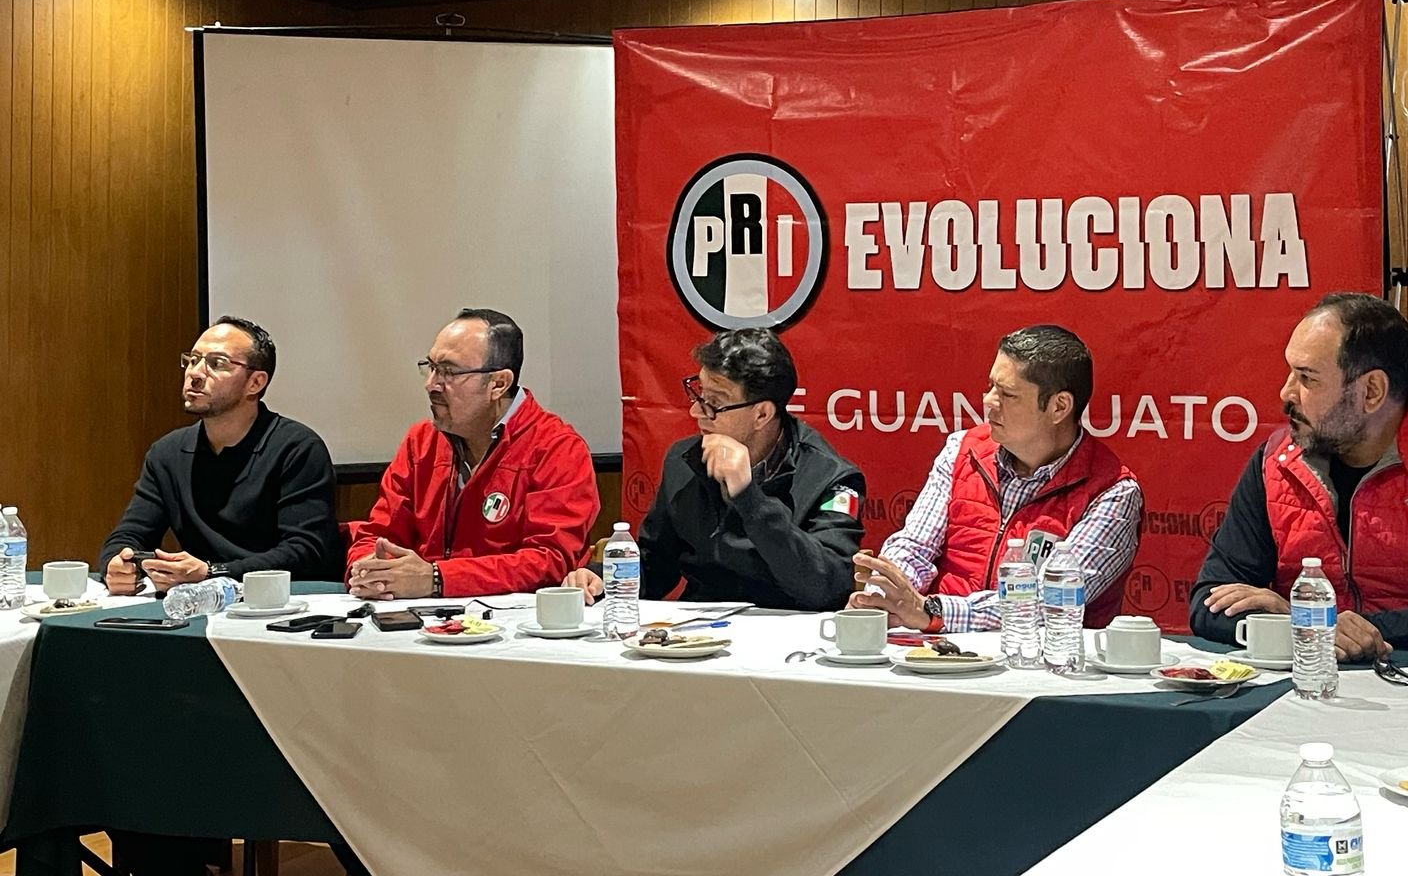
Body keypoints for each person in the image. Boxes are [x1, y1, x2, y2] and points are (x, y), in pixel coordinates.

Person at [1189, 291, 1408, 659]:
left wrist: (1331, 626)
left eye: (1307, 378)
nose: (1286, 392)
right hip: (1305, 680)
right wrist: (1299, 623)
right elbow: (1210, 602)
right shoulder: (1277, 460)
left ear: (1371, 391)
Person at [848, 325, 1143, 632]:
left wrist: (932, 611)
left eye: (1008, 394)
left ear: (1059, 407)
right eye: (991, 386)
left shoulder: (1114, 492)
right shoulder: (962, 450)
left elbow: (1052, 601)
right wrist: (884, 596)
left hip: (1043, 656)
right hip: (938, 647)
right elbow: (914, 547)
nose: (989, 401)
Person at [563, 328, 865, 610]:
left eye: (714, 403)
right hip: (698, 630)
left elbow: (826, 586)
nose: (696, 411)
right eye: (699, 395)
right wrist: (602, 578)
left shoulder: (832, 479)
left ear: (762, 414)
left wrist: (749, 498)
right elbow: (656, 568)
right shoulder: (685, 460)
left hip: (789, 631)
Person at [346, 308, 598, 599]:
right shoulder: (421, 442)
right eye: (431, 367)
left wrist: (438, 578)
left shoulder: (557, 449)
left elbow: (549, 560)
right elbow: (377, 534)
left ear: (498, 384)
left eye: (448, 372)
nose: (431, 384)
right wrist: (369, 569)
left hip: (514, 620)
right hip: (420, 615)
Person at [99, 317, 340, 592]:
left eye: (216, 364)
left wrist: (214, 573)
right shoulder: (167, 453)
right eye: (193, 360)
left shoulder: (297, 448)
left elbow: (306, 551)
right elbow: (130, 533)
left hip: (280, 600)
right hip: (200, 600)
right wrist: (117, 563)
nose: (196, 373)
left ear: (255, 382)